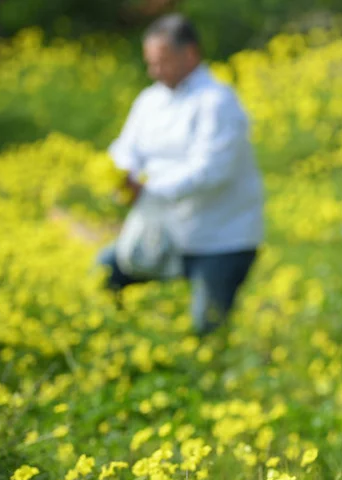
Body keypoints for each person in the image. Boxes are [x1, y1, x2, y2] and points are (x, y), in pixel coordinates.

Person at [96, 13, 264, 335]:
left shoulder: (217, 101)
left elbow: (211, 171)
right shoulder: (149, 100)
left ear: (190, 54)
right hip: (165, 233)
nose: (154, 71)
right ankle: (121, 342)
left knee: (207, 329)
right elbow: (125, 148)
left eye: (162, 62)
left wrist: (147, 190)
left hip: (221, 239)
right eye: (150, 63)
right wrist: (123, 174)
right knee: (104, 274)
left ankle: (208, 376)